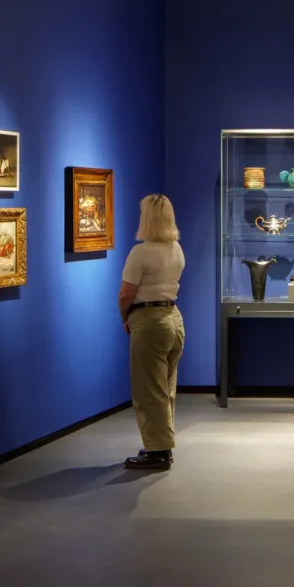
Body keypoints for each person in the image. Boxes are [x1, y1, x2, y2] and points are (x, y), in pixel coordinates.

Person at [118, 194, 186, 470]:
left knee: (149, 389)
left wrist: (125, 317)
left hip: (149, 320)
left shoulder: (141, 252)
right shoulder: (176, 249)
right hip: (173, 318)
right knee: (166, 385)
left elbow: (125, 294)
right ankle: (163, 444)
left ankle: (157, 450)